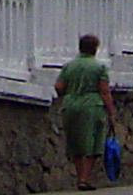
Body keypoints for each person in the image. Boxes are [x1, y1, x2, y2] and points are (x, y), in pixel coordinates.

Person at [53, 32, 116, 190]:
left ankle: (80, 175)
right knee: (93, 145)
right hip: (92, 107)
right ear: (95, 49)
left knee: (76, 144)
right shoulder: (98, 67)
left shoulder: (69, 66)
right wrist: (111, 113)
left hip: (70, 106)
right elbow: (104, 92)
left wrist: (70, 93)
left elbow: (58, 87)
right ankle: (84, 179)